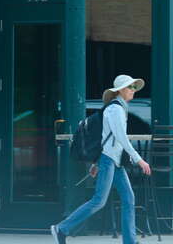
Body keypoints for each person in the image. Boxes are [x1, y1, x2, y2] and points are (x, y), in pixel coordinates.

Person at [51, 74, 151, 244]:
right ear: (121, 90)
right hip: (109, 160)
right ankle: (62, 228)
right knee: (99, 200)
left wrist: (97, 162)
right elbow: (120, 137)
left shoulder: (120, 107)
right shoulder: (115, 109)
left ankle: (130, 241)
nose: (134, 91)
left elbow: (108, 139)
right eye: (131, 87)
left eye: (134, 87)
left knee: (128, 198)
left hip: (115, 161)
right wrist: (138, 159)